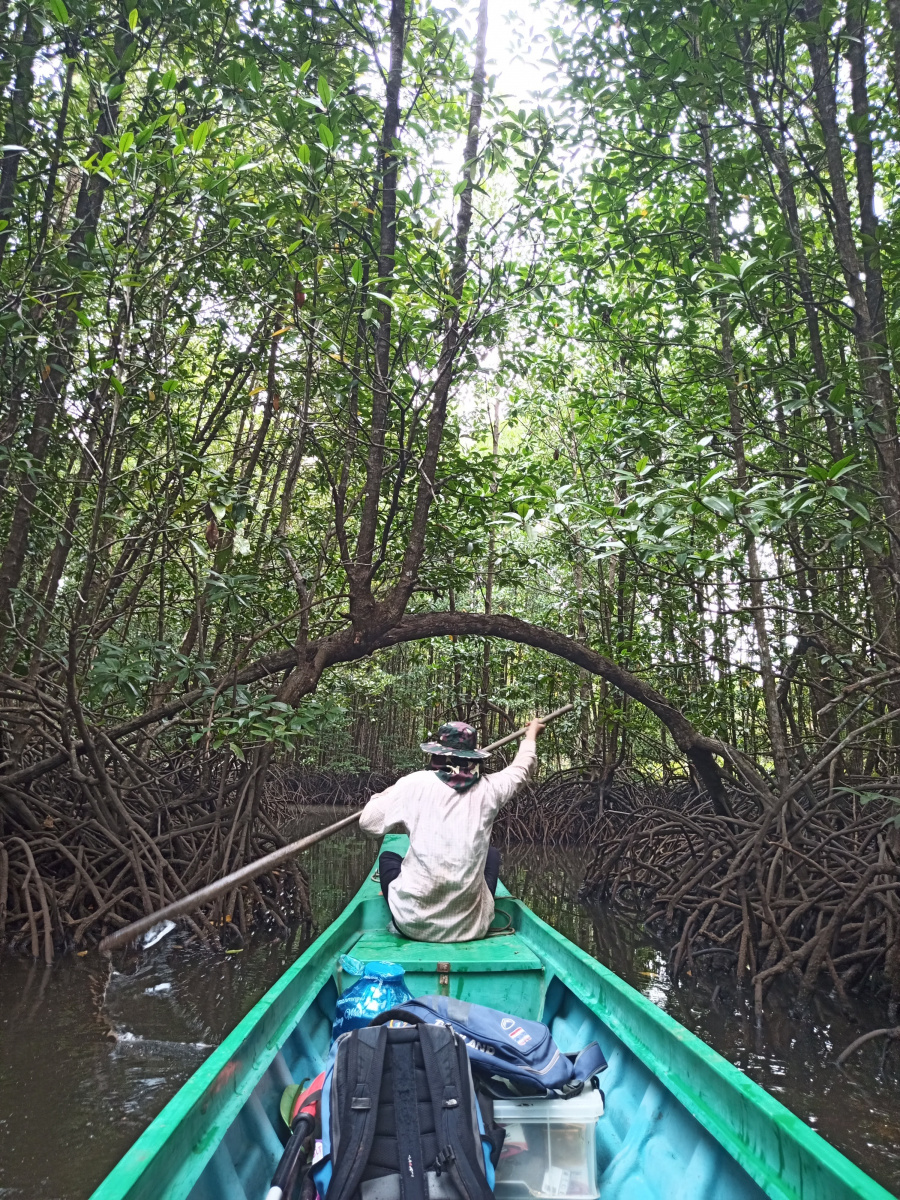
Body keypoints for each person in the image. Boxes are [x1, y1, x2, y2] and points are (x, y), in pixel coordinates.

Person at [358, 718, 544, 943]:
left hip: (412, 925)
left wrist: (389, 794)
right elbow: (521, 769)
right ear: (473, 757)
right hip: (470, 928)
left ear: (437, 754)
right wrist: (530, 736)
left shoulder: (413, 784)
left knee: (388, 858)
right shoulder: (491, 788)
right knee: (492, 855)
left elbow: (369, 823)